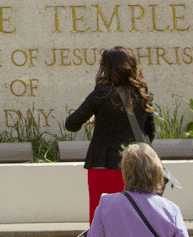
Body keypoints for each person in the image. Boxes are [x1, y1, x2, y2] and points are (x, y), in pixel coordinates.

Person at [65, 47, 156, 223]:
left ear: (106, 68)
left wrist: (99, 120)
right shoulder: (143, 94)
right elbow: (149, 134)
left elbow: (71, 124)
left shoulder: (101, 92)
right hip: (136, 169)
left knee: (102, 223)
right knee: (134, 222)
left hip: (104, 166)